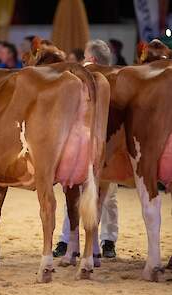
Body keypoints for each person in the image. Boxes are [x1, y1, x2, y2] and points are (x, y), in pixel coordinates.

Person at [54, 40, 118, 259]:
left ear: (91, 60)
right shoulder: (116, 78)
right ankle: (103, 243)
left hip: (79, 142)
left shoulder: (77, 78)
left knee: (73, 193)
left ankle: (70, 242)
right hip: (110, 146)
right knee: (106, 197)